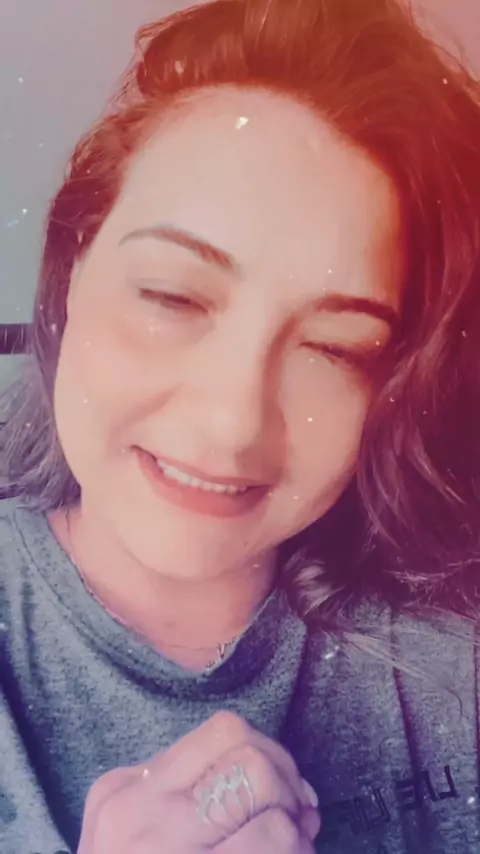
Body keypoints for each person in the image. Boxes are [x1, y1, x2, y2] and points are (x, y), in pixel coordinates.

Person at [1, 0, 480, 850]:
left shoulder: (453, 671)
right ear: (73, 269)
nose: (230, 424)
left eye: (334, 349)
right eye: (173, 297)